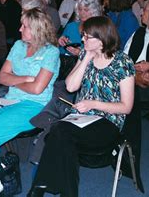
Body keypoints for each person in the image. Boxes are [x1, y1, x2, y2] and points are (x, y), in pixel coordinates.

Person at [28, 16, 135, 197]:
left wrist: (93, 104)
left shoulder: (122, 63)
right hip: (81, 118)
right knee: (62, 136)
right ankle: (63, 192)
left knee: (59, 132)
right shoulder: (85, 54)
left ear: (101, 39)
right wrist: (86, 60)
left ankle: (39, 187)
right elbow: (70, 86)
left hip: (108, 122)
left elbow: (126, 107)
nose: (82, 40)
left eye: (86, 37)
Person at [0, 8, 60, 197]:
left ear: (37, 29)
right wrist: (27, 78)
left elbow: (37, 89)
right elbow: (2, 77)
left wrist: (16, 79)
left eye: (25, 26)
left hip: (34, 105)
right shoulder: (18, 46)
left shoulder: (51, 52)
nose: (19, 29)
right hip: (9, 99)